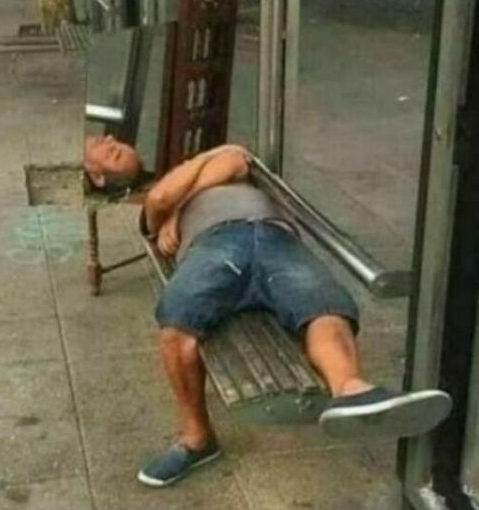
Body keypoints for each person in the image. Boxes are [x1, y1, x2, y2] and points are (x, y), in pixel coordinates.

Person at [135, 144, 452, 488]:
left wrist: (181, 204)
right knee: (177, 324)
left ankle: (351, 388)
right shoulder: (157, 207)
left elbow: (233, 161)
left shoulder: (217, 183)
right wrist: (193, 177)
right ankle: (197, 437)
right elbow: (160, 198)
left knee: (322, 303)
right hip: (214, 244)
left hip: (275, 235)